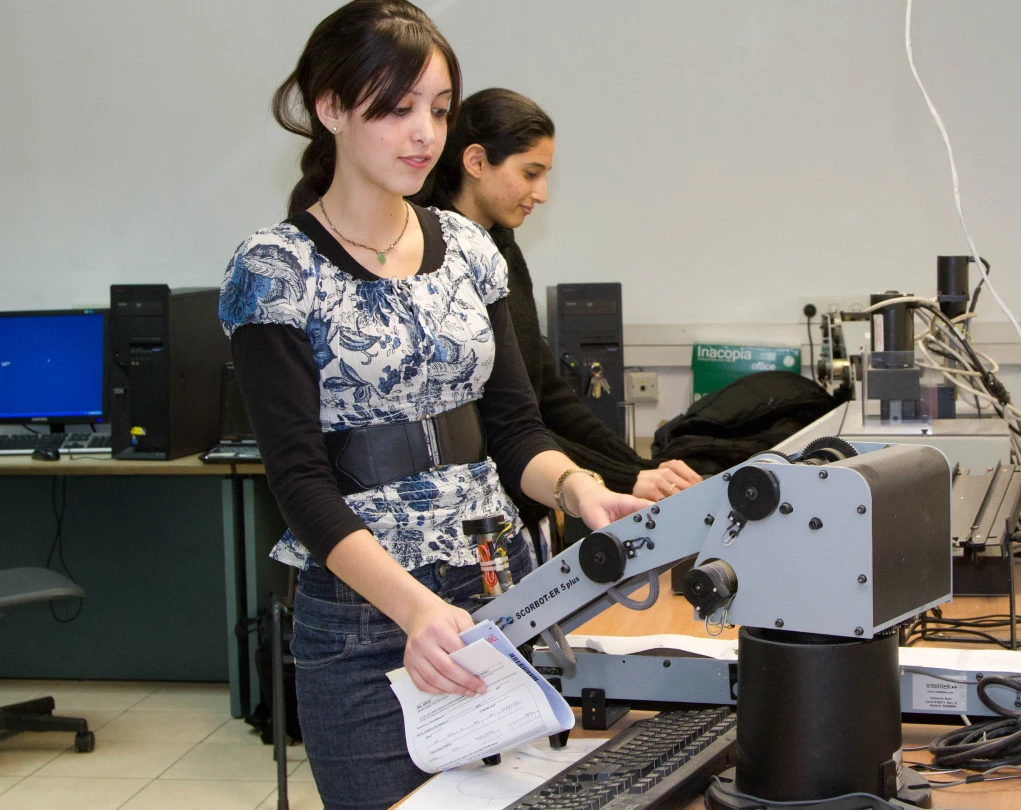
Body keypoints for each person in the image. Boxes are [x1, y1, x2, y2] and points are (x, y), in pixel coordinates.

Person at [217, 3, 649, 808]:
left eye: (440, 109)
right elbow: (301, 482)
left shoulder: (469, 248)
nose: (425, 133)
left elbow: (515, 428)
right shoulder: (274, 269)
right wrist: (417, 612)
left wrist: (578, 488)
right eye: (396, 108)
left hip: (494, 587)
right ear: (332, 109)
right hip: (366, 616)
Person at [421, 87, 702, 528]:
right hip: (469, 517)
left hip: (527, 508)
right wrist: (625, 477)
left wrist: (639, 470)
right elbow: (495, 424)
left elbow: (544, 393)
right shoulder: (431, 263)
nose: (543, 192)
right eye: (531, 173)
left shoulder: (503, 252)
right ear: (475, 163)